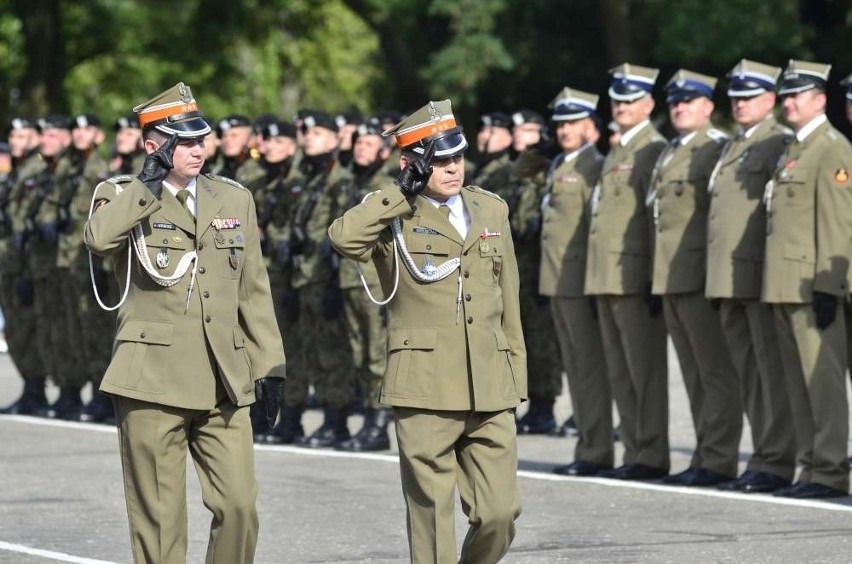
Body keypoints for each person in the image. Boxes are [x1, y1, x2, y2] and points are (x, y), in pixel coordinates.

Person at [83, 82, 286, 562]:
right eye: (185, 142)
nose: (199, 149)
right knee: (160, 520)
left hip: (223, 380)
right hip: (152, 379)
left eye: (201, 140)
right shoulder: (119, 194)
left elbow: (254, 290)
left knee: (239, 506)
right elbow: (98, 240)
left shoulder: (233, 199)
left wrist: (270, 365)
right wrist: (147, 185)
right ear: (154, 145)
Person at [329, 99, 527, 564]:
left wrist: (515, 372)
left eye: (456, 157)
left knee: (500, 513)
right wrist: (400, 192)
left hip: (487, 381)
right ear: (413, 162)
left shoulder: (490, 208)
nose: (453, 167)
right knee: (432, 517)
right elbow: (343, 238)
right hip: (424, 382)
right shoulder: (394, 211)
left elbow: (508, 298)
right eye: (439, 160)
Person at [705, 59, 797, 493]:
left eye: (750, 97)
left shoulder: (778, 140)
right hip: (730, 276)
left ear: (771, 100)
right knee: (749, 374)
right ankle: (763, 455)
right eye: (736, 97)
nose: (740, 104)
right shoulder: (737, 143)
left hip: (760, 275)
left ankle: (776, 459)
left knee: (769, 374)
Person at [763, 61, 852, 499]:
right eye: (785, 94)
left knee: (823, 382)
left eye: (798, 94)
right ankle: (810, 465)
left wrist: (827, 286)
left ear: (820, 99)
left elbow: (836, 220)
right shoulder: (794, 147)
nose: (789, 101)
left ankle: (831, 469)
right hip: (782, 281)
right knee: (797, 383)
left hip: (811, 283)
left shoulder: (831, 146)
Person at [649, 70, 741, 487]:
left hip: (699, 276)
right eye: (674, 102)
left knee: (715, 372)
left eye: (689, 102)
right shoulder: (672, 150)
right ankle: (705, 453)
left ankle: (719, 459)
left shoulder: (714, 147)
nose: (680, 107)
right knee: (694, 374)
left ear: (708, 107)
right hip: (670, 276)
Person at [585, 63, 670, 481]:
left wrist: (653, 277)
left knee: (645, 372)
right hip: (606, 275)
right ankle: (635, 449)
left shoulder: (652, 148)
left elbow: (656, 219)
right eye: (617, 100)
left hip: (634, 276)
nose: (621, 106)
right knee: (621, 371)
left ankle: (651, 453)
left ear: (649, 104)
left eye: (630, 100)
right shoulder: (620, 149)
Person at [540, 88, 613, 477]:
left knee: (589, 370)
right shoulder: (560, 164)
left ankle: (596, 449)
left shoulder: (593, 166)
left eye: (573, 123)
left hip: (579, 282)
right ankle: (587, 442)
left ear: (592, 127)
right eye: (561, 123)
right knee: (575, 368)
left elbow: (595, 229)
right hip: (556, 282)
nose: (564, 130)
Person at [0, 117, 49, 416]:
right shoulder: (16, 173)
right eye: (13, 136)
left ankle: (37, 390)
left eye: (23, 135)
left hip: (28, 265)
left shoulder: (38, 170)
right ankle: (30, 388)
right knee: (18, 331)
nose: (16, 141)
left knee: (32, 329)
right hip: (11, 264)